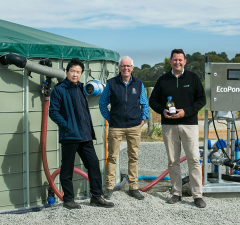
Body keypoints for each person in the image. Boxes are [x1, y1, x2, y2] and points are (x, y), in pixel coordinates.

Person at [49, 58, 114, 210]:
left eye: (78, 72)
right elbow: (53, 112)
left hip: (85, 136)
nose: (75, 74)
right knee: (67, 168)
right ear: (67, 72)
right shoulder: (59, 90)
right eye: (72, 71)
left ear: (81, 74)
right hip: (69, 136)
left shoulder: (81, 88)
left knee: (93, 164)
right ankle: (68, 199)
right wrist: (67, 126)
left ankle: (96, 196)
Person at [149, 49, 207, 208]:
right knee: (173, 161)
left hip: (189, 125)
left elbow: (202, 100)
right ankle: (176, 193)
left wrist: (186, 112)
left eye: (180, 60)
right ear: (170, 61)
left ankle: (197, 195)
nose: (177, 62)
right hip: (169, 126)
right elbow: (152, 101)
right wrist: (163, 110)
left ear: (185, 61)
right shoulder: (162, 80)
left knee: (194, 159)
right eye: (175, 60)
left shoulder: (193, 78)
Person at [99, 56, 149, 200]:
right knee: (112, 157)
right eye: (123, 66)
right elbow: (102, 103)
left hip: (134, 126)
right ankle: (109, 188)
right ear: (119, 68)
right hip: (116, 126)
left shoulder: (139, 84)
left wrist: (144, 118)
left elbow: (144, 103)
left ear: (132, 68)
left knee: (133, 157)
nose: (125, 68)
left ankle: (133, 187)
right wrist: (110, 118)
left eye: (128, 66)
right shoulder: (111, 83)